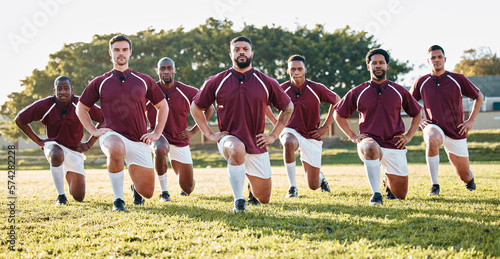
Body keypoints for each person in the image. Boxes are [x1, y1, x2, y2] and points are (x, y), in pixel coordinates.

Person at [191, 36, 294, 213]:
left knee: (264, 198)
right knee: (237, 148)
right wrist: (210, 134)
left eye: (245, 49)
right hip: (229, 140)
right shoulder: (217, 80)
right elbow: (195, 107)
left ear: (251, 53)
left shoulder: (266, 81)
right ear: (231, 54)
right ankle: (239, 201)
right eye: (237, 49)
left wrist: (273, 135)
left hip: (256, 143)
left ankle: (248, 185)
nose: (241, 52)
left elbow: (288, 107)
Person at [76, 35, 168, 212]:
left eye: (125, 49)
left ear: (130, 52)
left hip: (138, 138)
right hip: (112, 135)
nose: (121, 53)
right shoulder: (100, 82)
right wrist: (93, 130)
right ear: (111, 52)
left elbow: (162, 105)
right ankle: (118, 200)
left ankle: (135, 186)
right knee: (116, 147)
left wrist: (156, 133)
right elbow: (81, 108)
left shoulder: (144, 80)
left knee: (147, 192)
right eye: (117, 49)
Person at [334, 48, 422, 205]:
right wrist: (353, 136)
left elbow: (417, 113)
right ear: (368, 66)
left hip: (394, 144)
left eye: (381, 62)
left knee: (400, 194)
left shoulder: (399, 90)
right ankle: (376, 195)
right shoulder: (358, 91)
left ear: (387, 66)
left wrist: (408, 135)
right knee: (371, 148)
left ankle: (388, 182)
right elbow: (338, 114)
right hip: (369, 142)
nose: (378, 66)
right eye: (374, 63)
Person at [15, 75, 103, 205]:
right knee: (57, 154)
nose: (62, 92)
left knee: (79, 196)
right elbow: (19, 120)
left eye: (66, 88)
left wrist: (89, 144)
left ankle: (68, 174)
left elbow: (104, 118)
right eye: (59, 89)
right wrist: (39, 141)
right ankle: (61, 196)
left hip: (75, 150)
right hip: (54, 146)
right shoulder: (45, 105)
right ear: (54, 90)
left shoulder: (81, 103)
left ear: (71, 90)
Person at [410, 45, 484, 196]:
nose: (436, 60)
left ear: (445, 59)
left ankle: (470, 179)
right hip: (434, 126)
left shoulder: (458, 79)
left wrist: (470, 121)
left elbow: (479, 97)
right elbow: (408, 102)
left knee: (464, 175)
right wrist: (420, 119)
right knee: (431, 139)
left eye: (439, 57)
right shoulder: (421, 82)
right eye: (433, 58)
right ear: (428, 61)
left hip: (456, 130)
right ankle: (434, 185)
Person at [143, 57, 214, 203]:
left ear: (175, 70)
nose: (166, 71)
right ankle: (164, 192)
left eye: (169, 68)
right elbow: (136, 110)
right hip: (158, 135)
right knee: (160, 148)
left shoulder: (187, 91)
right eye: (162, 69)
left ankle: (186, 181)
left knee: (188, 187)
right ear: (157, 71)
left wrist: (193, 131)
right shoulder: (149, 91)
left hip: (179, 138)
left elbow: (210, 108)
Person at [278, 54, 340, 198]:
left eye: (300, 69)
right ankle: (292, 187)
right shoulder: (281, 89)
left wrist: (324, 127)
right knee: (288, 142)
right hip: (290, 130)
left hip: (311, 135)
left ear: (305, 70)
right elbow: (264, 104)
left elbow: (337, 101)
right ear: (288, 71)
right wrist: (278, 125)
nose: (296, 72)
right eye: (293, 69)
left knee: (313, 185)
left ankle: (320, 178)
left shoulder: (317, 88)